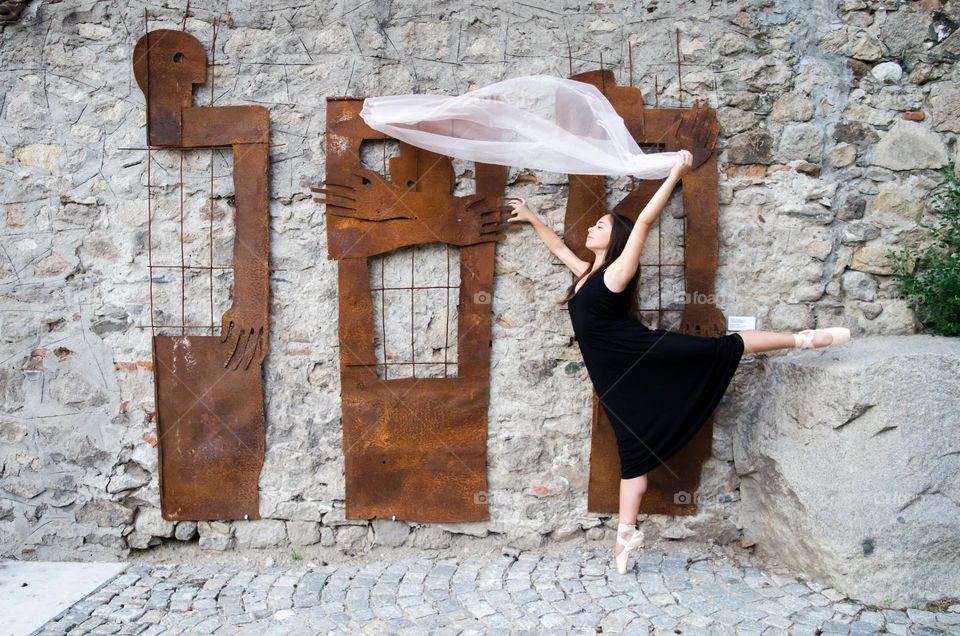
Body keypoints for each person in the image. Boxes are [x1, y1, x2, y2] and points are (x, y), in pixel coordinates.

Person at [504, 149, 851, 574]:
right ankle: (626, 535)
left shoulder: (617, 273)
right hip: (615, 381)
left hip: (643, 351)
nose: (591, 228)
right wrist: (532, 216)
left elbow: (645, 223)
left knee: (720, 347)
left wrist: (675, 174)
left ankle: (801, 338)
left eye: (601, 225)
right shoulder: (585, 275)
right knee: (633, 453)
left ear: (614, 242)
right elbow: (558, 247)